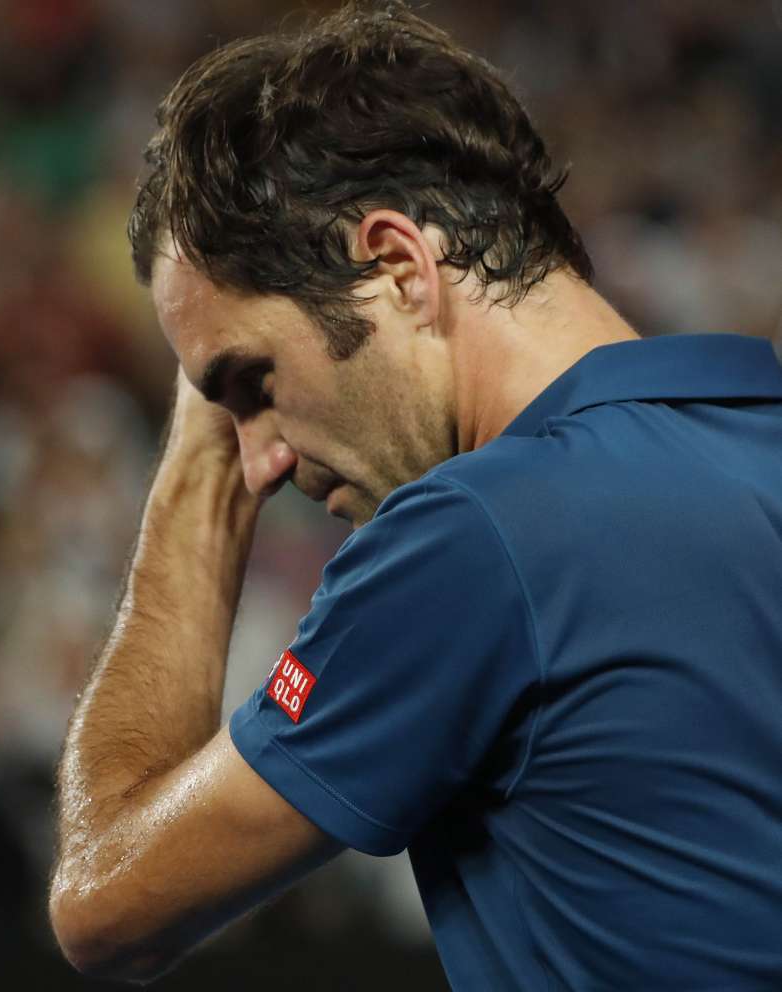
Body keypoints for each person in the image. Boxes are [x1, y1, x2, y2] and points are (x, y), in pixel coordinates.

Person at [48, 2, 782, 989]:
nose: (260, 458)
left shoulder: (476, 535)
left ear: (398, 267)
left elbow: (106, 900)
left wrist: (195, 470)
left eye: (250, 382)